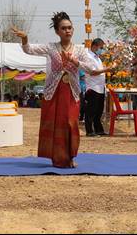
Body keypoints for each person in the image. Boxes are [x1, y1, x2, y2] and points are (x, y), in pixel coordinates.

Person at [12, 12, 94, 168]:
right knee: (58, 124)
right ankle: (59, 159)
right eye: (63, 28)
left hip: (72, 92)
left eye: (70, 28)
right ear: (57, 31)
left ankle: (69, 157)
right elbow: (29, 49)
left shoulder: (80, 50)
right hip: (54, 92)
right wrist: (24, 38)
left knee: (71, 123)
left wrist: (74, 61)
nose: (67, 31)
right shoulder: (51, 47)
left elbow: (91, 68)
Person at [83, 38, 116, 137]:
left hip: (100, 87)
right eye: (101, 47)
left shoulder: (97, 57)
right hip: (93, 87)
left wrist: (107, 69)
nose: (102, 49)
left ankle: (99, 129)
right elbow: (92, 72)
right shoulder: (88, 57)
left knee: (99, 111)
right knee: (91, 111)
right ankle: (89, 131)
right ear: (95, 46)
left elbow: (99, 70)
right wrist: (106, 70)